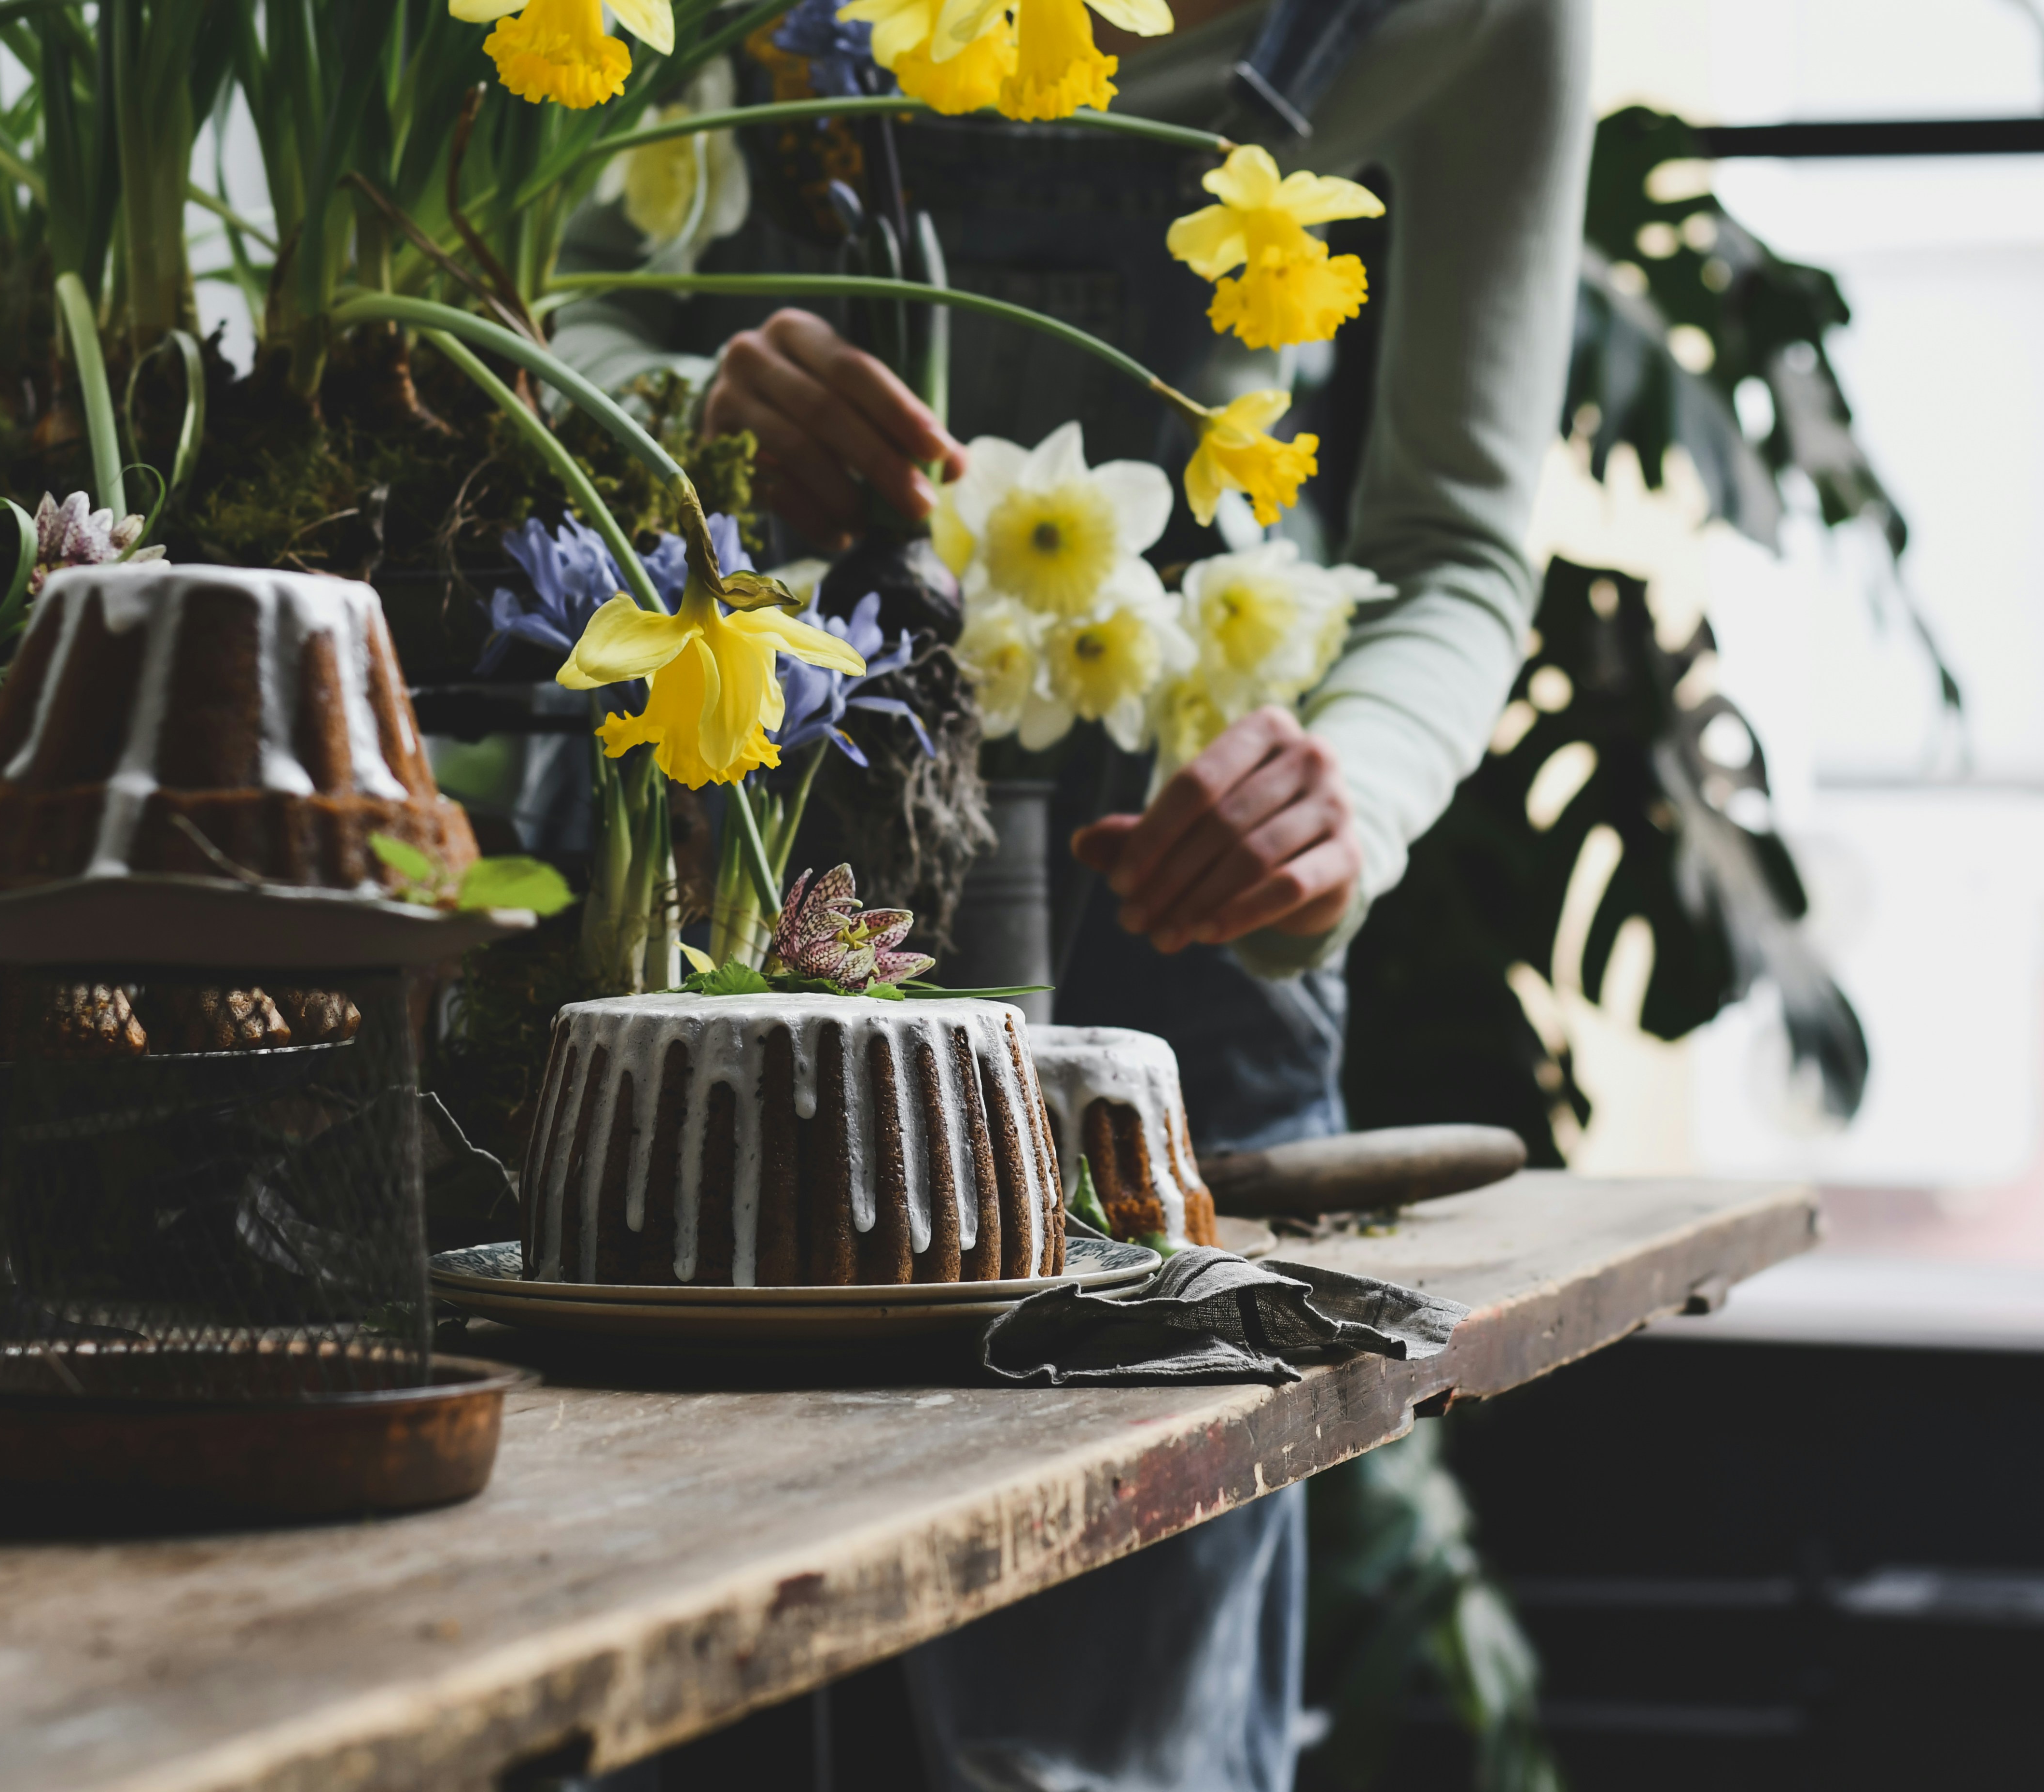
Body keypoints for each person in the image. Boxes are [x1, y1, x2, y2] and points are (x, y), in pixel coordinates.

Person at [567, 0, 1590, 1783]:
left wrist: (1347, 798)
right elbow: (552, 315)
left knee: (1117, 1748)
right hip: (732, 917)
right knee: (694, 1708)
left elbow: (1458, 543)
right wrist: (686, 412)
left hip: (1179, 964)